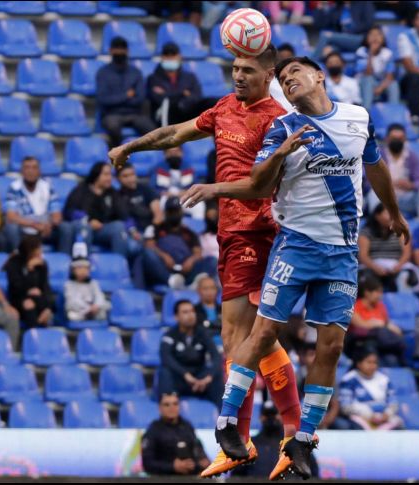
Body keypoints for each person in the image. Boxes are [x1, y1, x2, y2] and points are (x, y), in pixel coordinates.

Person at [178, 55, 410, 478]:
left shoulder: (359, 118)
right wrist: (277, 154)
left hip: (341, 253)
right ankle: (227, 424)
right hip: (295, 246)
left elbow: (375, 164)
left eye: (294, 74)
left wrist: (393, 211)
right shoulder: (284, 127)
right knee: (264, 332)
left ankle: (303, 438)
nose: (288, 83)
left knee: (332, 347)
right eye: (283, 80)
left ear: (319, 75)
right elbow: (259, 184)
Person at [110, 45, 302, 479]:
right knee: (257, 338)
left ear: (268, 73)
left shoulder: (277, 117)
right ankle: (289, 432)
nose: (237, 75)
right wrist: (131, 146)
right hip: (231, 235)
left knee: (241, 337)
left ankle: (246, 438)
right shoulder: (223, 108)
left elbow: (263, 183)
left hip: (258, 231)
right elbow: (173, 133)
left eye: (247, 69)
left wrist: (216, 190)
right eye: (234, 68)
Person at [133, 196, 216, 290]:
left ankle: (193, 284)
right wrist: (164, 256)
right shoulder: (157, 228)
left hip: (186, 269)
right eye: (171, 211)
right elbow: (149, 246)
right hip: (165, 268)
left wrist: (190, 261)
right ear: (165, 213)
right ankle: (171, 281)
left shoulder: (189, 232)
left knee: (212, 260)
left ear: (181, 212)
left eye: (176, 211)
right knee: (146, 254)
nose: (174, 214)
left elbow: (198, 253)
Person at [158, 300, 223, 406]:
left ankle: (223, 417)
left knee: (217, 374)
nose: (190, 315)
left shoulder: (203, 333)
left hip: (199, 380)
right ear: (176, 317)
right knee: (165, 372)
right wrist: (185, 374)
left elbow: (216, 356)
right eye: (185, 312)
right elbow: (165, 357)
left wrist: (208, 377)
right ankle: (168, 410)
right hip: (180, 379)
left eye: (192, 311)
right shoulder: (169, 335)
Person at [366, 124, 419, 222]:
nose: (397, 141)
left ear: (405, 139)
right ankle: (376, 227)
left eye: (400, 138)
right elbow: (368, 181)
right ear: (387, 139)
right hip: (385, 198)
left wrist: (411, 185)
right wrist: (386, 185)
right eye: (394, 138)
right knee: (373, 194)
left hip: (406, 198)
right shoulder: (377, 155)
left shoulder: (412, 156)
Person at [63, 162, 132, 257]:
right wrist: (88, 220)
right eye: (106, 174)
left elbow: (123, 214)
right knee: (84, 227)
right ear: (96, 175)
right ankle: (82, 266)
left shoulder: (112, 192)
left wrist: (132, 229)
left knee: (119, 227)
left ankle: (119, 265)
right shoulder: (81, 189)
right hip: (84, 228)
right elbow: (69, 211)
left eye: (111, 175)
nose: (110, 178)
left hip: (103, 229)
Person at [97, 37, 156, 148]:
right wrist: (126, 96)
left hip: (134, 114)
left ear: (127, 51)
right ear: (110, 50)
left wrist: (117, 99)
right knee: (112, 127)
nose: (119, 52)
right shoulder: (103, 73)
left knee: (152, 131)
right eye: (116, 49)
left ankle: (149, 158)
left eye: (122, 49)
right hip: (111, 114)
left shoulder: (135, 72)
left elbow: (140, 98)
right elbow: (103, 99)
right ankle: (118, 156)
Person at [4, 156, 71, 254]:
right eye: (27, 168)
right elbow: (11, 217)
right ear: (21, 171)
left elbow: (57, 215)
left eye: (34, 168)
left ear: (39, 171)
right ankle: (17, 261)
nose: (30, 171)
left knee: (66, 227)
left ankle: (63, 261)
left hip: (45, 231)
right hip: (24, 231)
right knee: (11, 228)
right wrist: (34, 225)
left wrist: (49, 225)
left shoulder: (48, 187)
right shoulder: (14, 188)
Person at [358, 203, 419, 293]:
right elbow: (363, 256)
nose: (391, 217)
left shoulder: (401, 230)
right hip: (373, 267)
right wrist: (376, 268)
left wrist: (398, 267)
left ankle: (402, 301)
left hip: (396, 266)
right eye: (388, 213)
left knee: (406, 276)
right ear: (377, 216)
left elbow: (407, 253)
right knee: (366, 277)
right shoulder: (366, 232)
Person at [141, 392, 210, 476]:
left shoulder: (187, 426)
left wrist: (200, 464)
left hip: (190, 478)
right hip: (163, 479)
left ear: (179, 406)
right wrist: (172, 467)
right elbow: (147, 464)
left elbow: (199, 452)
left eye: (175, 404)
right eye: (167, 404)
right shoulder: (153, 430)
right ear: (159, 408)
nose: (172, 407)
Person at [347, 275, 405, 367]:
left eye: (381, 292)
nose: (380, 295)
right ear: (367, 292)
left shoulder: (380, 306)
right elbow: (360, 324)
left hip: (380, 343)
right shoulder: (354, 306)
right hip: (358, 343)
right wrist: (378, 324)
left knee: (392, 360)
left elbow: (386, 323)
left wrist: (393, 328)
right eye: (377, 292)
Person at [339, 349, 403, 430]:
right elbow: (345, 406)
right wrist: (368, 415)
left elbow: (393, 402)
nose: (372, 366)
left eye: (375, 363)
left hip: (384, 419)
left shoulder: (384, 379)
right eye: (369, 362)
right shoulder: (349, 380)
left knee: (399, 427)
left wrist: (387, 414)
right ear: (359, 364)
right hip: (360, 418)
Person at [3, 235, 53, 329]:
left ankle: (40, 333)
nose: (40, 251)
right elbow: (16, 287)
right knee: (28, 304)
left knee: (44, 307)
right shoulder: (14, 263)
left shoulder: (42, 264)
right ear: (29, 249)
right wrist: (28, 270)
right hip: (18, 298)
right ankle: (33, 333)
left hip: (38, 298)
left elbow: (45, 286)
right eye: (38, 248)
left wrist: (48, 307)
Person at [147, 42, 203, 126]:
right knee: (170, 104)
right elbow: (159, 99)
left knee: (211, 103)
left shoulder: (190, 77)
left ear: (179, 57)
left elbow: (197, 96)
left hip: (187, 112)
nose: (170, 58)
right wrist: (183, 93)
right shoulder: (153, 78)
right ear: (162, 57)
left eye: (173, 55)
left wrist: (179, 101)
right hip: (166, 116)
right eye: (166, 55)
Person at [311, 1, 375, 60]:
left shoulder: (364, 3)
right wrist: (319, 8)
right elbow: (321, 24)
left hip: (360, 39)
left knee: (325, 35)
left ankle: (310, 65)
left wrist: (349, 32)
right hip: (343, 41)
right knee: (326, 50)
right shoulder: (338, 6)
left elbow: (368, 24)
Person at [355, 26, 400, 111]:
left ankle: (394, 112)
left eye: (378, 35)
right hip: (363, 83)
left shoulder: (388, 53)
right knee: (368, 79)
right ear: (366, 38)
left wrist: (380, 88)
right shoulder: (361, 51)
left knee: (393, 84)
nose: (375, 37)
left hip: (380, 83)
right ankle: (366, 112)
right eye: (372, 35)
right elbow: (367, 73)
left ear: (383, 38)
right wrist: (371, 54)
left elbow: (389, 76)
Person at [153, 147, 204, 220]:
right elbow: (152, 188)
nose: (173, 154)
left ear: (182, 153)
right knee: (159, 204)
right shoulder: (158, 168)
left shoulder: (188, 167)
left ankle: (198, 230)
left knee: (199, 205)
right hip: (165, 197)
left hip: (184, 196)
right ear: (165, 154)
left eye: (176, 152)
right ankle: (164, 230)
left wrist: (187, 192)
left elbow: (196, 185)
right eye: (170, 152)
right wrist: (162, 192)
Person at [117, 162, 162, 240]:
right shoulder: (118, 196)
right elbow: (126, 218)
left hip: (153, 229)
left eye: (132, 174)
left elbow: (158, 214)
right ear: (118, 178)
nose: (130, 179)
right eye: (125, 176)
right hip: (135, 233)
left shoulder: (145, 188)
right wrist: (134, 232)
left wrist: (151, 231)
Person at [64, 249, 110, 323]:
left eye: (85, 268)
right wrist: (88, 308)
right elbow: (72, 302)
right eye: (79, 268)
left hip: (95, 311)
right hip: (79, 312)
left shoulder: (93, 283)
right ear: (73, 270)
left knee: (106, 305)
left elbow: (99, 296)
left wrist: (96, 306)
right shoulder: (69, 285)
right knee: (71, 314)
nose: (83, 271)